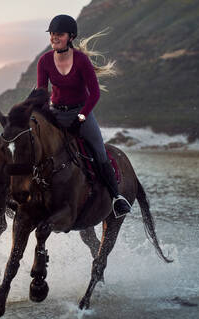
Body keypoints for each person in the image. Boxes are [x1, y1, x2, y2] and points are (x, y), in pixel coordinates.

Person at [37, 14, 131, 218]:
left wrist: (80, 117)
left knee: (99, 151)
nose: (54, 37)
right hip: (55, 113)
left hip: (81, 113)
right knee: (36, 146)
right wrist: (41, 114)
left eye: (59, 34)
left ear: (70, 37)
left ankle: (116, 198)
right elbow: (42, 92)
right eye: (52, 34)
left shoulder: (81, 60)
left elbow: (95, 94)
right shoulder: (44, 61)